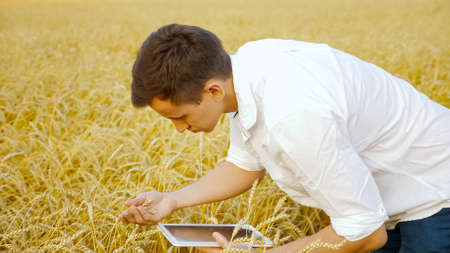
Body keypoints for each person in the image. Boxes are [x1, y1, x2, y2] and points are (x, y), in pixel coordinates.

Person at [118, 24, 450, 253]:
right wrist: (173, 200)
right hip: (387, 197)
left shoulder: (293, 115)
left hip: (434, 192)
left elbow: (365, 233)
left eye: (180, 117)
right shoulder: (244, 70)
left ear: (213, 90)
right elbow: (245, 164)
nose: (178, 129)